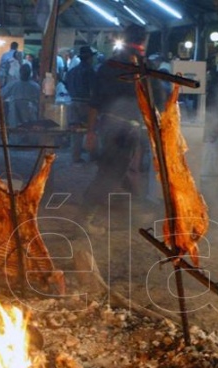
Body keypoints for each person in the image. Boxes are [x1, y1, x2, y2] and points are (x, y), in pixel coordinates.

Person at [82, 24, 150, 226]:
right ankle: (85, 217)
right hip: (124, 128)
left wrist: (91, 131)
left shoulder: (107, 66)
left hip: (110, 125)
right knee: (110, 173)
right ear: (143, 41)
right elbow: (153, 102)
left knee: (117, 169)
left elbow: (95, 102)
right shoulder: (142, 66)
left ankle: (137, 206)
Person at [64, 45, 96, 162]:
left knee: (75, 131)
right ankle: (92, 154)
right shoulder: (90, 71)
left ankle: (75, 156)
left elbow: (66, 84)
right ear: (89, 58)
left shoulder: (72, 71)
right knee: (92, 128)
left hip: (73, 101)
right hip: (86, 103)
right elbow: (94, 88)